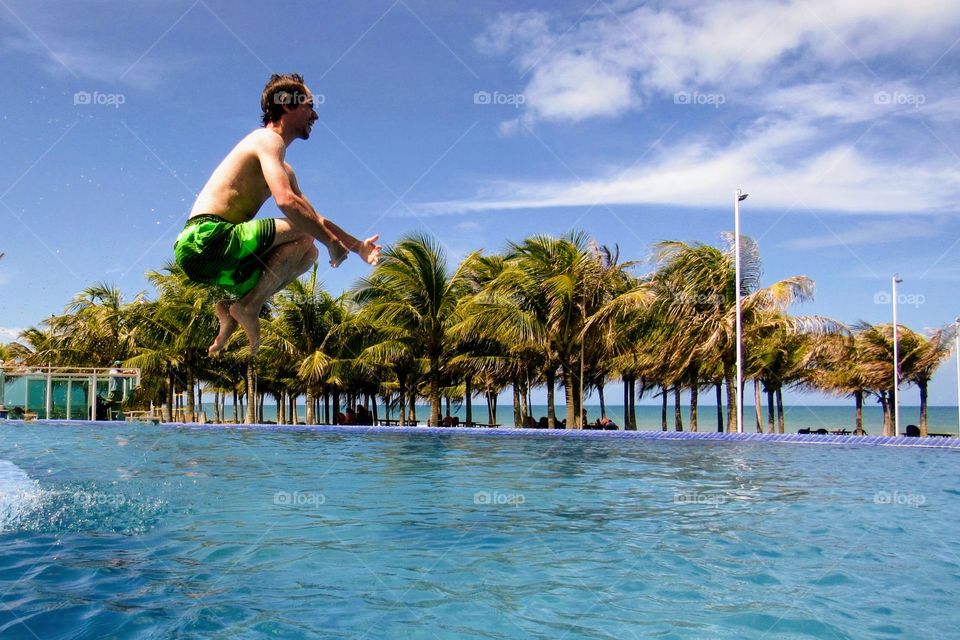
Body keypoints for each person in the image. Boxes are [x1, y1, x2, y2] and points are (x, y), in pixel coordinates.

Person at [174, 73, 381, 356]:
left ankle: (232, 306)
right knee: (308, 233)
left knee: (307, 252)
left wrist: (357, 247)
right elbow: (286, 203)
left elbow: (312, 216)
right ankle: (248, 306)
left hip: (214, 260)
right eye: (309, 105)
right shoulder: (266, 140)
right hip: (205, 238)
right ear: (286, 103)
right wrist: (331, 242)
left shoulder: (284, 167)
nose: (315, 114)